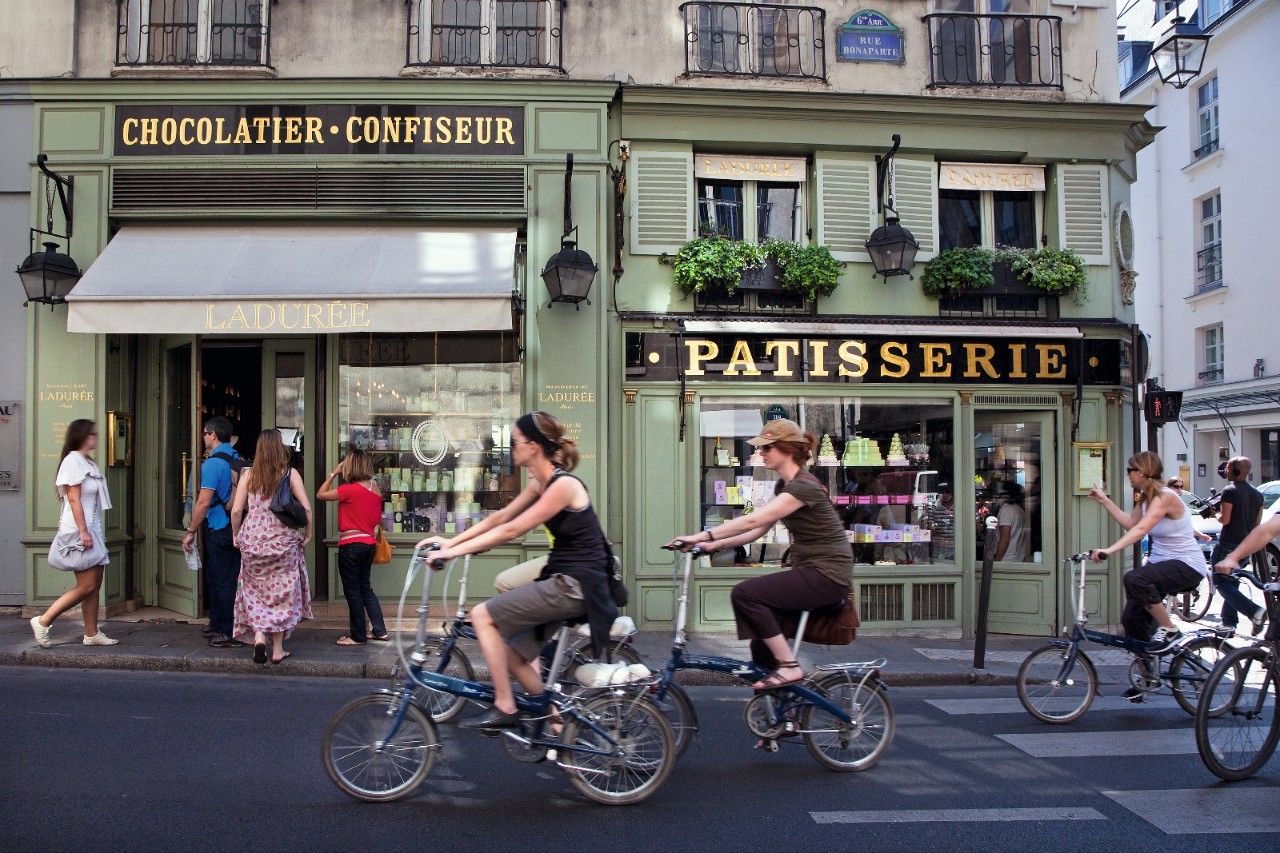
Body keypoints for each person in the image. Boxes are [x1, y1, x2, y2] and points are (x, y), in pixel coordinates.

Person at [417, 412, 614, 730]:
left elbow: (513, 531)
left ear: (533, 446)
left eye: (514, 442)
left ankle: (505, 706)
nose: (510, 447)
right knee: (512, 656)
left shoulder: (564, 486)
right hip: (563, 580)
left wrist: (452, 553)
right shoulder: (541, 482)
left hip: (576, 584)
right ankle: (558, 729)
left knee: (482, 616)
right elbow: (500, 519)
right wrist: (451, 540)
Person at [669, 419, 852, 690]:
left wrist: (700, 536)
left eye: (767, 448)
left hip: (827, 574)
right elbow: (757, 532)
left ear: (786, 449)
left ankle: (790, 667)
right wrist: (711, 547)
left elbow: (752, 522)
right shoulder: (784, 487)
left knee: (746, 594)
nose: (762, 453)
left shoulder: (804, 487)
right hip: (810, 570)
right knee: (762, 645)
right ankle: (784, 720)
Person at [1088, 451, 1209, 656]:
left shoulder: (1165, 496)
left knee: (1135, 578)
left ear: (1141, 472)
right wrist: (1104, 501)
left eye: (1130, 470)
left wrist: (1109, 550)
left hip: (1186, 565)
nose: (1128, 474)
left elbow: (1141, 530)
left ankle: (1170, 630)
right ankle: (1147, 678)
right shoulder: (1145, 498)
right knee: (1132, 620)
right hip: (1160, 565)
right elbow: (1131, 525)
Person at [30, 419, 119, 648]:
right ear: (82, 436)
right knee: (87, 585)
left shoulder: (86, 462)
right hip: (81, 530)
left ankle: (91, 633)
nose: (96, 437)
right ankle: (43, 620)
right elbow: (73, 498)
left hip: (92, 528)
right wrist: (83, 531)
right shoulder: (72, 461)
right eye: (92, 434)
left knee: (95, 584)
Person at [230, 429, 313, 664]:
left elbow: (237, 510)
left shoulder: (248, 475)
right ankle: (277, 650)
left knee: (255, 592)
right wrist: (308, 534)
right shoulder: (290, 473)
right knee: (281, 595)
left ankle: (258, 636)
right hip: (282, 540)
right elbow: (306, 509)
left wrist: (236, 535)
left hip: (253, 540)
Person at [183, 416, 244, 649]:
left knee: (223, 581)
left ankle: (228, 631)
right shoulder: (238, 458)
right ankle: (218, 623)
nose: (203, 436)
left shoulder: (211, 464)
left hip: (218, 526)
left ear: (213, 435)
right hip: (235, 526)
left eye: (205, 433)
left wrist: (190, 531)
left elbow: (203, 502)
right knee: (219, 577)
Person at [317, 446, 388, 645]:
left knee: (353, 591)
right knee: (366, 588)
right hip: (368, 543)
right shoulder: (376, 491)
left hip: (351, 545)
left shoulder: (348, 490)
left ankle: (357, 636)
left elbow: (320, 495)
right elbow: (374, 520)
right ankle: (379, 630)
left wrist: (333, 472)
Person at [1211, 456, 1267, 636]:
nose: (1225, 470)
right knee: (1232, 583)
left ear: (1235, 470)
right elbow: (1257, 525)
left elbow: (1225, 519)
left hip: (1228, 544)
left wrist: (1215, 514)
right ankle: (1228, 623)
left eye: (1227, 467)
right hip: (1246, 545)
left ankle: (1254, 611)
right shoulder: (1258, 494)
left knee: (1221, 581)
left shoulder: (1229, 491)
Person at [992, 481, 1028, 562]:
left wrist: (997, 561)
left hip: (1006, 559)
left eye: (1000, 494)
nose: (998, 497)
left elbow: (1005, 539)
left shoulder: (1005, 511)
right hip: (1018, 557)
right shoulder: (1019, 510)